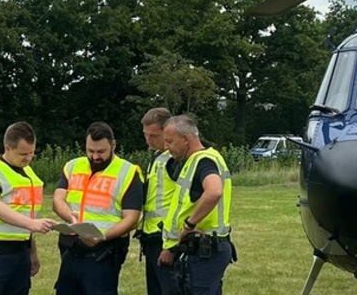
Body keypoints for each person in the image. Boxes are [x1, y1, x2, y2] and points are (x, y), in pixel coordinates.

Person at [52, 122, 145, 295]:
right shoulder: (72, 166)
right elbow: (58, 199)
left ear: (113, 145)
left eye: (101, 152)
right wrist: (70, 218)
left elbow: (132, 218)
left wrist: (102, 237)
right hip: (71, 248)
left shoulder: (128, 172)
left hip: (104, 252)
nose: (95, 157)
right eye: (90, 151)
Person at [0, 121, 57, 295]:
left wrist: (32, 252)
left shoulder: (29, 174)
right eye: (23, 153)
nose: (28, 158)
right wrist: (33, 224)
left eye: (32, 152)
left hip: (20, 253)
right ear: (8, 148)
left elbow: (25, 215)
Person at [158, 115, 235, 295]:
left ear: (185, 139)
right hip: (204, 250)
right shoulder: (199, 160)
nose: (165, 147)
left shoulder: (203, 161)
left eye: (169, 141)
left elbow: (214, 191)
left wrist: (189, 224)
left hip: (204, 250)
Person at [137, 107, 176, 295]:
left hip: (165, 236)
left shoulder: (175, 159)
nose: (148, 140)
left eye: (153, 136)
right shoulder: (157, 156)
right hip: (151, 236)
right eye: (146, 135)